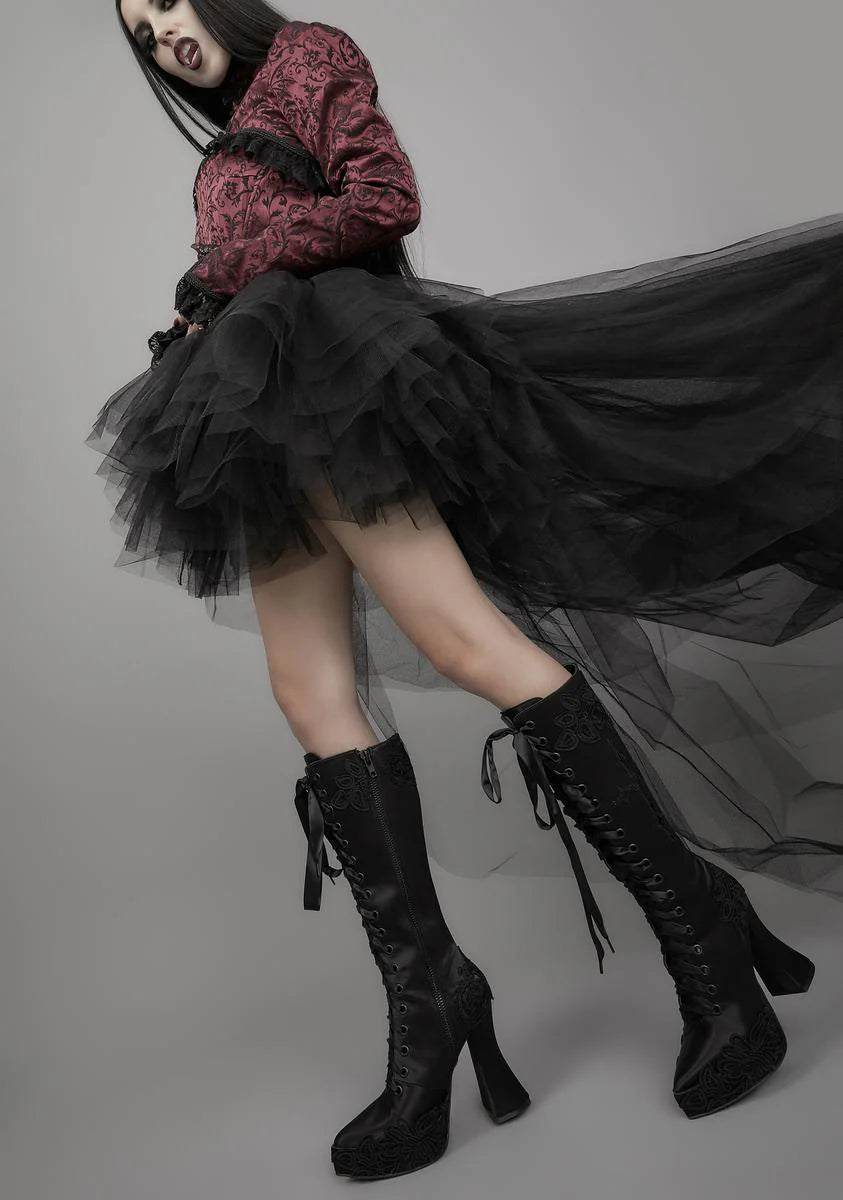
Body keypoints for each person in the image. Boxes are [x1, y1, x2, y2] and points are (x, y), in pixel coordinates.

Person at [88, 0, 842, 1181]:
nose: (163, 36)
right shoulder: (235, 123)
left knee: (461, 637)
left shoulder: (308, 54)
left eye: (166, 2)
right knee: (306, 692)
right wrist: (207, 296)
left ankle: (704, 934)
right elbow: (263, 242)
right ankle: (432, 999)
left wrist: (240, 258)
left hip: (335, 380)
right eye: (140, 32)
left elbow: (384, 197)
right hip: (255, 407)